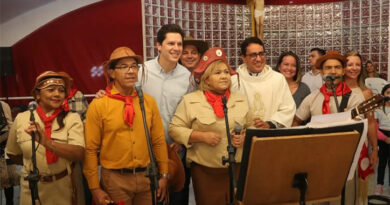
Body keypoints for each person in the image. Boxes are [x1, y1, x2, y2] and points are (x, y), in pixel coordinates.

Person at [84, 46, 169, 205]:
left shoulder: (148, 102)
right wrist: (94, 188)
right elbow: (90, 149)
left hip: (147, 177)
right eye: (123, 67)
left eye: (133, 66)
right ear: (111, 73)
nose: (130, 71)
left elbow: (158, 141)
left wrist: (164, 175)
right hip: (115, 180)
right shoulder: (99, 105)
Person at [169, 47, 249, 205]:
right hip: (206, 172)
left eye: (226, 72)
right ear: (206, 79)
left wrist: (244, 138)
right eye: (217, 73)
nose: (224, 76)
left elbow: (252, 128)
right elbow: (175, 128)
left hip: (238, 169)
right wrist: (200, 136)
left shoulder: (241, 100)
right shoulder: (190, 100)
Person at [5, 71, 85, 205]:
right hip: (30, 189)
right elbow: (12, 153)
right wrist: (32, 166)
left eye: (61, 90)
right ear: (37, 94)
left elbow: (79, 154)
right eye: (51, 90)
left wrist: (46, 143)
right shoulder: (22, 119)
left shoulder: (72, 118)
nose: (57, 94)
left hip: (63, 188)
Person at [142, 24, 191, 204]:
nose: (176, 48)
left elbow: (190, 113)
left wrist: (180, 140)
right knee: (149, 197)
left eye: (179, 44)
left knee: (177, 197)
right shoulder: (142, 72)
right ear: (159, 46)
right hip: (146, 150)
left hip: (174, 150)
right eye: (171, 43)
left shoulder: (187, 77)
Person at [231, 37, 295, 129]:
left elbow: (288, 108)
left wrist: (269, 124)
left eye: (261, 54)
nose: (258, 59)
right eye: (253, 55)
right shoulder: (235, 81)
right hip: (243, 137)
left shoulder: (277, 79)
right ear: (244, 58)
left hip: (270, 136)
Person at [343, 50, 378, 203]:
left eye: (357, 64)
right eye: (350, 64)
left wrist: (374, 148)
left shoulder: (366, 93)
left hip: (360, 146)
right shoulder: (334, 91)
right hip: (340, 145)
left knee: (357, 188)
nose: (354, 68)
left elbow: (371, 122)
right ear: (343, 67)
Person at [0, 101, 19, 205]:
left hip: (4, 144)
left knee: (9, 179)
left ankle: (9, 202)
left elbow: (10, 125)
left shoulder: (3, 105)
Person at [374, 84, 390, 195]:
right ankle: (379, 185)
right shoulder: (378, 108)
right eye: (388, 92)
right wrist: (384, 138)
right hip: (382, 137)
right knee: (382, 163)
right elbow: (374, 127)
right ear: (383, 94)